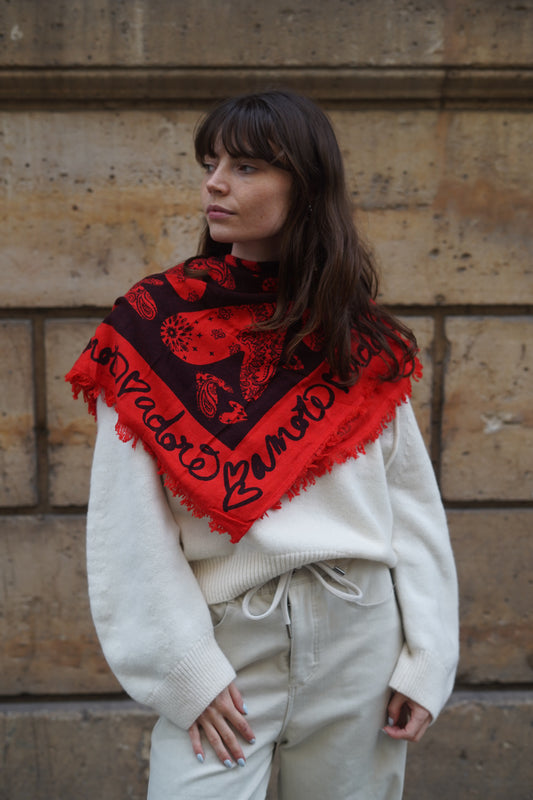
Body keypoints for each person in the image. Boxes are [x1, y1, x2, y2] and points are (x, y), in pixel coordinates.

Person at [66, 90, 459, 800]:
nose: (214, 183)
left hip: (361, 635)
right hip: (226, 644)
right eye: (210, 162)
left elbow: (412, 506)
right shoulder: (151, 326)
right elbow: (126, 525)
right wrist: (182, 666)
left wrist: (428, 657)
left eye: (245, 167)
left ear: (304, 187)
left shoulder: (359, 338)